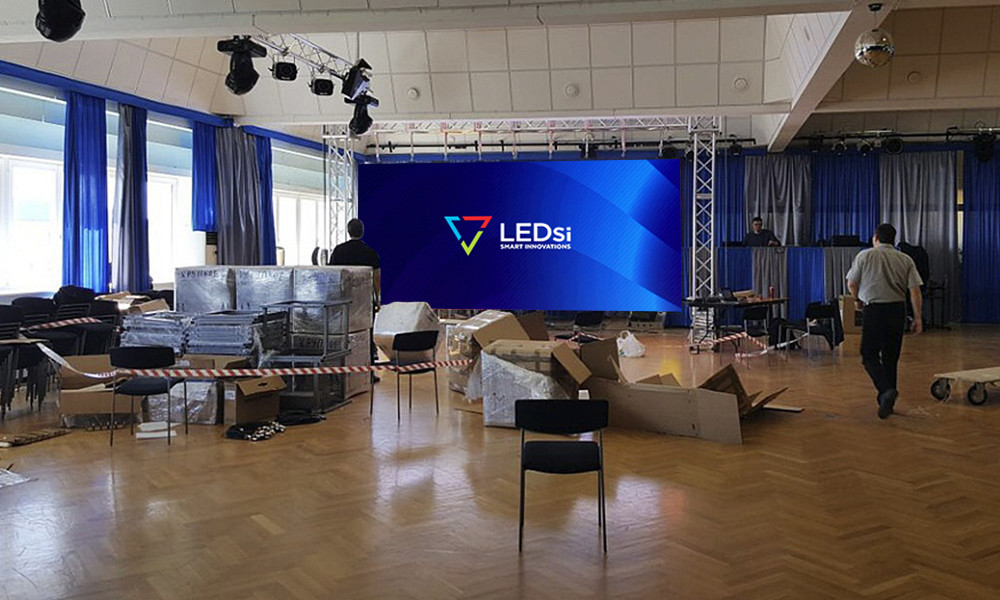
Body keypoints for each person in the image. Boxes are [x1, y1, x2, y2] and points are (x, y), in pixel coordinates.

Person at [846, 223, 923, 419]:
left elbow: (852, 283)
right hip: (897, 310)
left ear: (875, 238)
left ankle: (885, 390)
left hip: (874, 310)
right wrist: (918, 317)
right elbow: (915, 291)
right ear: (893, 239)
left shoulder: (865, 256)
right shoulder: (905, 259)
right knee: (891, 357)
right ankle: (886, 402)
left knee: (868, 354)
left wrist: (857, 300)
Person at [329, 218, 381, 380]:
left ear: (348, 231)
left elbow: (332, 276)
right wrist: (377, 298)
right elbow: (376, 277)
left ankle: (340, 372)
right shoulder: (370, 252)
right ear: (362, 232)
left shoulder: (338, 251)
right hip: (364, 303)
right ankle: (368, 373)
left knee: (342, 335)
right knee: (366, 336)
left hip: (344, 302)